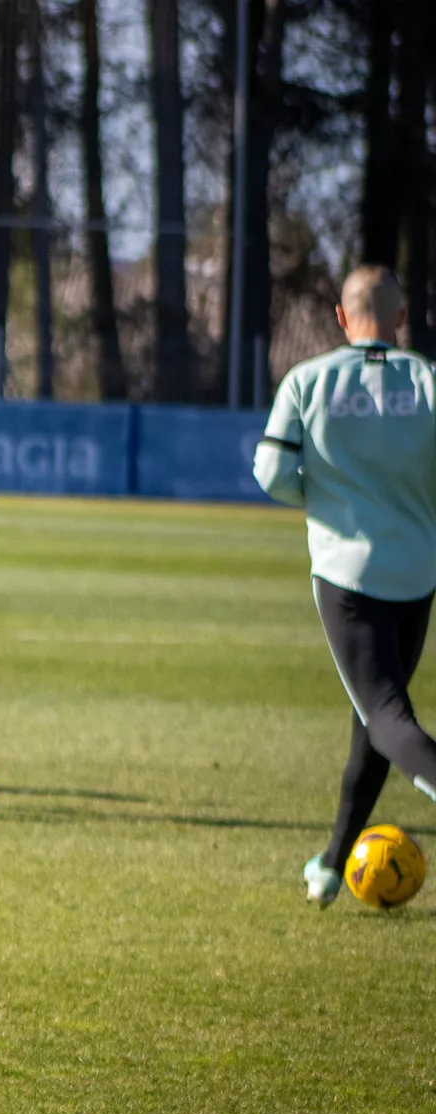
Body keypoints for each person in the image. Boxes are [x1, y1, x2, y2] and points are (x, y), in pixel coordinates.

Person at [254, 265, 436, 905]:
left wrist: (322, 497)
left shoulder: (309, 379)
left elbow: (272, 470)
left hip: (346, 572)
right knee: (375, 719)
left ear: (340, 316)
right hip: (416, 572)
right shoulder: (427, 379)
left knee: (384, 714)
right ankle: (333, 863)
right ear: (403, 315)